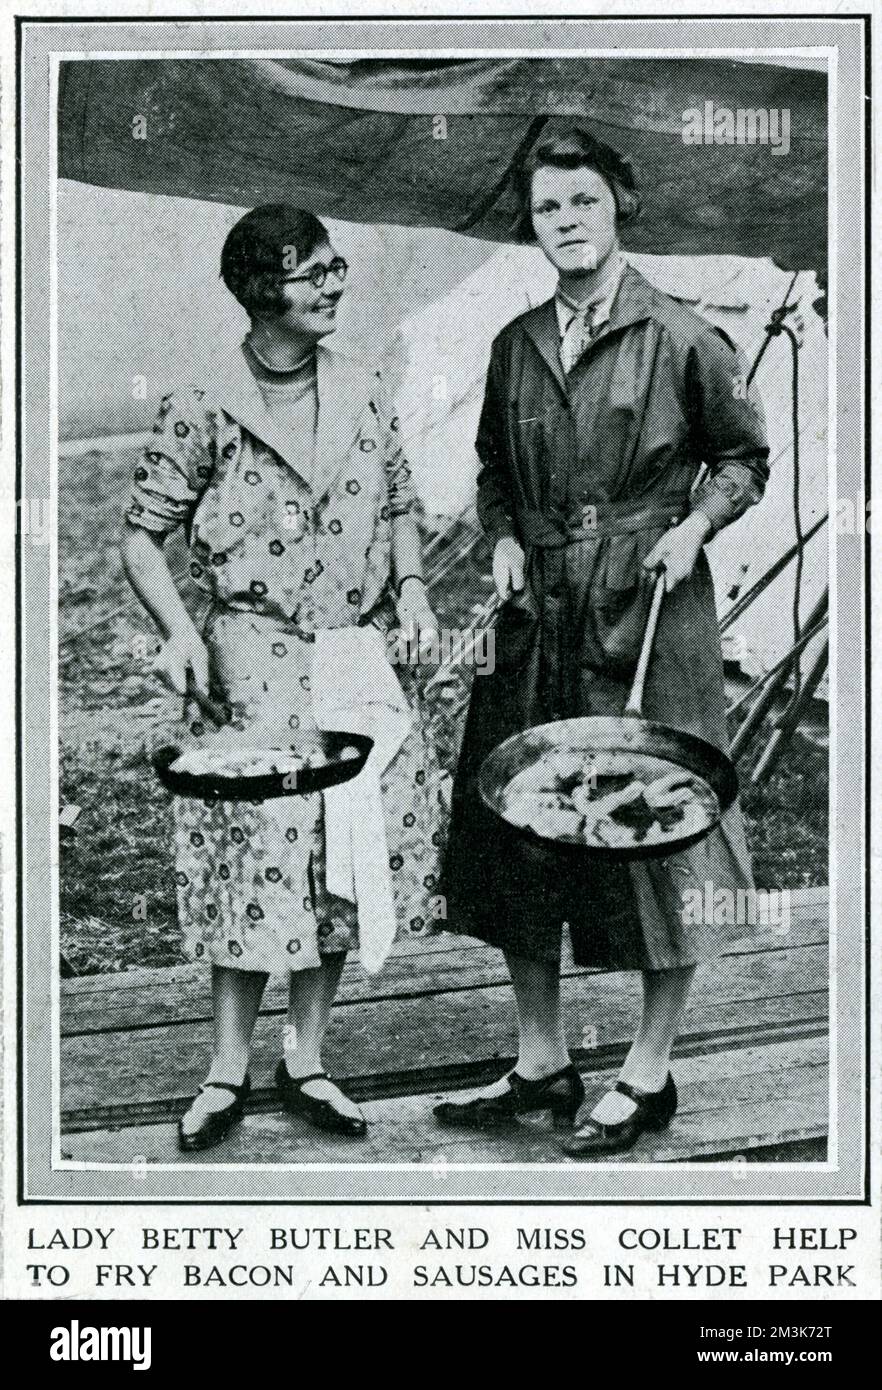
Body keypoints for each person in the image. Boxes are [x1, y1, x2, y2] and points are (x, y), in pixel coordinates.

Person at [436, 129, 770, 1156]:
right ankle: (542, 1058)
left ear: (618, 207)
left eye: (583, 201)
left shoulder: (682, 335)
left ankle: (648, 1071)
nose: (567, 222)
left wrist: (694, 525)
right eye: (548, 209)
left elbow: (743, 459)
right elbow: (495, 466)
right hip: (542, 609)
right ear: (531, 226)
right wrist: (499, 535)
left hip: (649, 607)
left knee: (659, 827)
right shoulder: (515, 342)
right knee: (518, 818)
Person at [121, 205, 441, 1152]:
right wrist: (178, 632)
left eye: (337, 267)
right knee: (252, 856)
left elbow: (399, 502)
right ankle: (225, 1069)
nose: (335, 284)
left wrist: (414, 589)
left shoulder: (366, 386)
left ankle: (307, 1057)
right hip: (251, 667)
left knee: (340, 853)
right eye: (313, 273)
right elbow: (142, 533)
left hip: (353, 652)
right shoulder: (203, 400)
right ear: (263, 290)